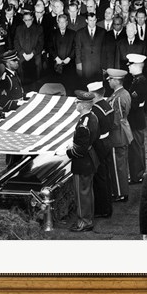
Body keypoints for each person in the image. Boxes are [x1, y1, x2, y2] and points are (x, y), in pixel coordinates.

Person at [59, 90, 100, 232]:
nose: (75, 104)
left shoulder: (84, 123)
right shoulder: (92, 117)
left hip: (83, 163)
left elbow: (80, 150)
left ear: (83, 105)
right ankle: (87, 218)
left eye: (77, 102)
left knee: (82, 194)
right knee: (87, 192)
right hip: (90, 159)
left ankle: (84, 222)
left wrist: (68, 152)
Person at [87, 81, 114, 219]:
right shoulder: (107, 105)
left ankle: (103, 209)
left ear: (93, 94)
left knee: (100, 177)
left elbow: (93, 130)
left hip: (99, 144)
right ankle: (107, 205)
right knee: (106, 175)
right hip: (108, 141)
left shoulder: (95, 110)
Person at [106, 68, 133, 202]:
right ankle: (121, 191)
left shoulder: (118, 97)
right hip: (122, 132)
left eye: (110, 79)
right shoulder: (123, 93)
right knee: (120, 164)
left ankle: (120, 193)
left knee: (118, 166)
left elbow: (116, 119)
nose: (109, 82)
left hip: (117, 134)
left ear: (116, 81)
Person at [126, 54, 147, 184]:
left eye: (130, 65)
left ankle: (138, 175)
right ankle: (137, 174)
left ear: (136, 66)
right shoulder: (136, 80)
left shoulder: (141, 82)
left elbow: (136, 103)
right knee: (135, 148)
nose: (128, 67)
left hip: (136, 119)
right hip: (135, 119)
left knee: (136, 148)